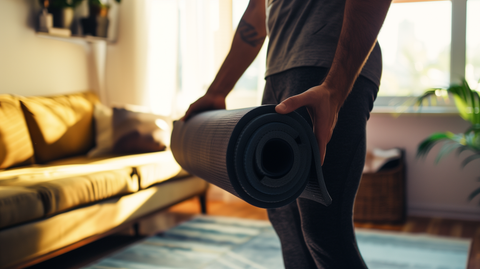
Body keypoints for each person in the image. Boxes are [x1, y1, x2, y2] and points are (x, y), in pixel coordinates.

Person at [182, 0, 391, 268]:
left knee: (324, 231)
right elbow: (256, 15)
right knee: (284, 219)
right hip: (278, 69)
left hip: (327, 64)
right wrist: (217, 91)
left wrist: (335, 88)